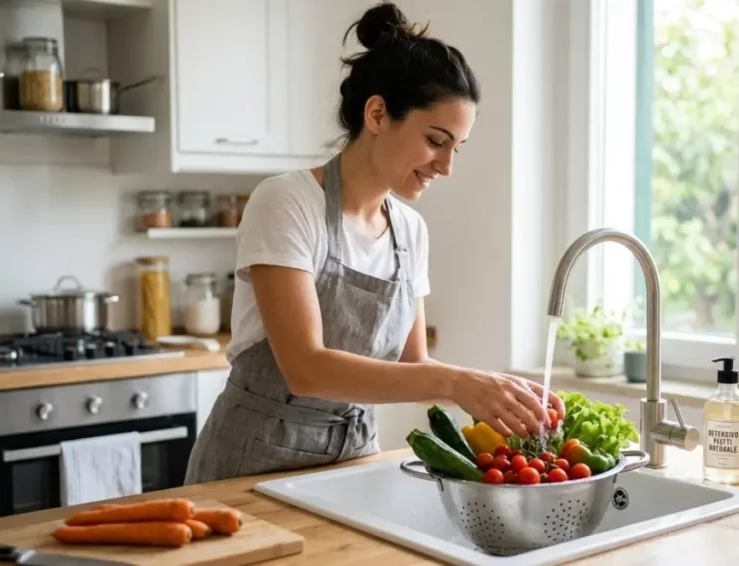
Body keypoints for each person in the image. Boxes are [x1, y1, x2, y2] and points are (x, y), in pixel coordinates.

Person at [184, 1, 565, 484]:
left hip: (355, 458)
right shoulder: (286, 202)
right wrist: (459, 382)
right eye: (435, 140)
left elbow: (413, 365)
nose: (446, 166)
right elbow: (306, 368)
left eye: (456, 148)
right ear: (378, 113)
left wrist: (498, 393)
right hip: (253, 462)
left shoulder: (410, 230)